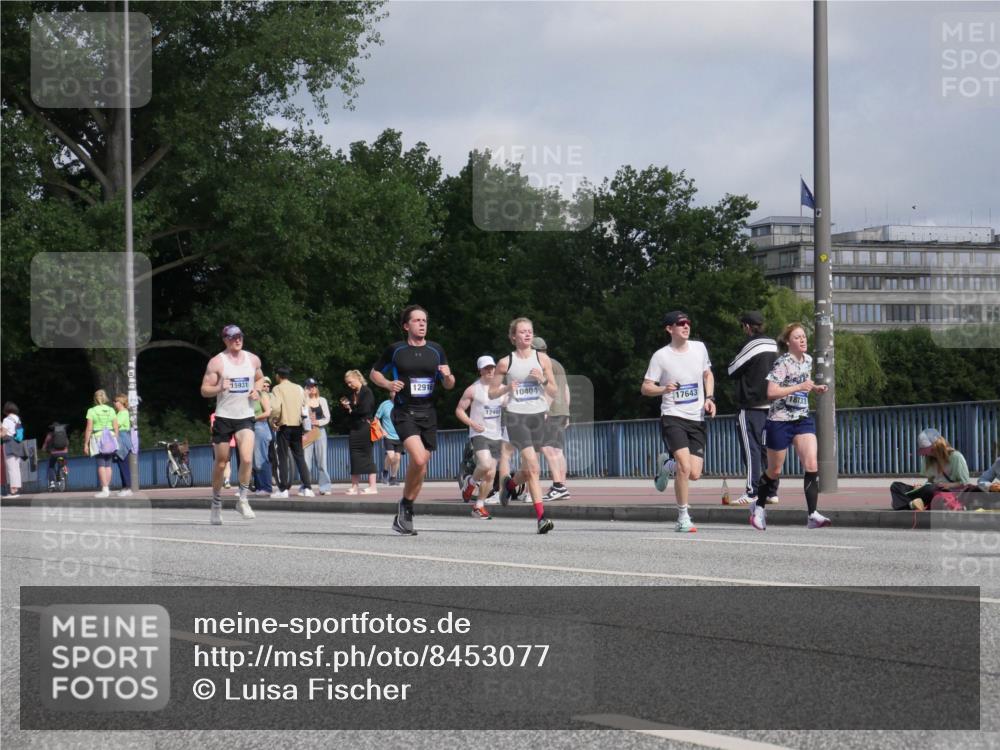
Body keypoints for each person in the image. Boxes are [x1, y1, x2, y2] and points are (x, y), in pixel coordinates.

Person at [370, 305, 455, 535]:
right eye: (417, 320)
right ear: (406, 326)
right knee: (418, 459)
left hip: (429, 413)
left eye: (424, 320)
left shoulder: (436, 350)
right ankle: (406, 507)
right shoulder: (396, 350)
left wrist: (447, 376)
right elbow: (374, 373)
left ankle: (405, 508)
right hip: (404, 411)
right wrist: (388, 384)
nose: (422, 324)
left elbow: (449, 384)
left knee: (422, 466)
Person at [749, 323, 831, 531]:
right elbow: (771, 392)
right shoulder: (782, 363)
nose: (803, 340)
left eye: (804, 336)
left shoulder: (808, 360)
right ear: (788, 342)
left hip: (802, 418)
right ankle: (758, 507)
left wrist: (814, 387)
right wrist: (800, 387)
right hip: (780, 420)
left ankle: (812, 514)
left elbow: (803, 383)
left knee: (812, 464)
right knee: (774, 470)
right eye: (797, 337)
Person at [641, 311, 716, 533]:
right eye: (680, 323)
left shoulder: (699, 348)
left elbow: (708, 374)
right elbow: (645, 387)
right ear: (669, 329)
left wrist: (710, 398)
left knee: (694, 473)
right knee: (684, 467)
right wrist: (664, 388)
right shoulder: (661, 356)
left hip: (697, 418)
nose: (686, 326)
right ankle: (683, 517)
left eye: (688, 323)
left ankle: (665, 465)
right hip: (673, 416)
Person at [490, 318, 557, 534]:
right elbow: (492, 392)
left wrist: (544, 381)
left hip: (537, 416)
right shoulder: (505, 362)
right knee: (534, 467)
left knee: (528, 470)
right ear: (513, 337)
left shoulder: (542, 359)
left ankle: (509, 486)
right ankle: (542, 519)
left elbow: (554, 391)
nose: (527, 335)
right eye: (522, 332)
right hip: (516, 417)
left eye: (530, 331)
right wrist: (507, 388)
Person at [200, 324, 264, 525]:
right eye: (233, 337)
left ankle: (242, 500)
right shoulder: (217, 362)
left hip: (245, 416)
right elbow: (204, 390)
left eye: (240, 336)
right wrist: (219, 387)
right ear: (225, 340)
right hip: (224, 417)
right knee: (221, 462)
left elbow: (260, 378)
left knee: (246, 459)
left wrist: (257, 391)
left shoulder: (252, 359)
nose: (238, 339)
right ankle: (216, 502)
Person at [727, 311, 779, 506]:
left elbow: (732, 369)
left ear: (747, 326)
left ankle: (752, 491)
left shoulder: (752, 344)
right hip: (772, 404)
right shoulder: (773, 344)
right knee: (768, 449)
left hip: (751, 405)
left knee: (751, 449)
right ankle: (772, 491)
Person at [456, 355, 508, 519]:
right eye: (486, 368)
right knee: (485, 465)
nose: (490, 371)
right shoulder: (473, 389)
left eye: (492, 367)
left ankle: (478, 506)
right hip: (479, 434)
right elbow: (459, 410)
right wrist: (472, 423)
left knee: (491, 474)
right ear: (480, 370)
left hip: (496, 435)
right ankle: (471, 482)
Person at [890, 428, 973, 511]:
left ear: (936, 446)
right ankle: (912, 504)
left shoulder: (956, 457)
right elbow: (930, 481)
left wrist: (948, 485)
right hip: (931, 489)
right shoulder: (928, 459)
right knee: (896, 486)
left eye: (927, 449)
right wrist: (920, 487)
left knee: (930, 489)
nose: (925, 453)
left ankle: (907, 504)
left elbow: (965, 483)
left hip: (945, 491)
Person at [534, 337, 572, 502]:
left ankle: (558, 486)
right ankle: (562, 486)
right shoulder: (557, 363)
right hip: (562, 411)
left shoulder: (541, 364)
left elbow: (546, 389)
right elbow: (566, 388)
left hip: (551, 411)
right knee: (558, 451)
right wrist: (567, 411)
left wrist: (545, 411)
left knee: (547, 448)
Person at [268, 366, 314, 499]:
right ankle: (308, 488)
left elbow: (276, 407)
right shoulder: (298, 388)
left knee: (282, 458)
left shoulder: (277, 388)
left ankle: (283, 489)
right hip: (298, 425)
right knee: (300, 456)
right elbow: (305, 405)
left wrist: (273, 421)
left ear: (278, 376)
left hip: (285, 425)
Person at [340, 370, 377, 495]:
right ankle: (354, 486)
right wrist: (347, 408)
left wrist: (352, 410)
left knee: (367, 455)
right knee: (354, 455)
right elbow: (352, 411)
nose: (349, 385)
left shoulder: (367, 392)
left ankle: (372, 486)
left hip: (365, 426)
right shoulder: (353, 394)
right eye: (347, 383)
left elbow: (365, 409)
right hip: (355, 427)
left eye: (350, 382)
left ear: (358, 378)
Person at [82, 390, 119, 498]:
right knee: (108, 465)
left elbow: (89, 428)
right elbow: (116, 426)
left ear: (95, 398)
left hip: (98, 438)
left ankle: (105, 489)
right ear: (105, 398)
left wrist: (86, 444)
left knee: (101, 464)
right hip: (111, 437)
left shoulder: (91, 411)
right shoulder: (111, 410)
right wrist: (115, 439)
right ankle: (107, 488)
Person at [302, 378, 333, 495]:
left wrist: (317, 423)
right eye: (309, 387)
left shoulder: (322, 400)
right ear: (306, 388)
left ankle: (325, 487)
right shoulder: (303, 401)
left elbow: (327, 417)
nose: (312, 388)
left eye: (314, 386)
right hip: (307, 431)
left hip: (320, 431)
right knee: (306, 461)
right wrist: (304, 398)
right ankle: (305, 486)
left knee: (322, 461)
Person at [251, 376, 274, 496]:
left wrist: (253, 418)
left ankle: (267, 487)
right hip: (251, 428)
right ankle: (260, 487)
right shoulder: (250, 395)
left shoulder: (262, 395)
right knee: (255, 460)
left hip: (260, 427)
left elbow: (267, 412)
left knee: (261, 458)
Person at [374, 398, 402, 486]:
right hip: (388, 435)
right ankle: (385, 472)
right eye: (393, 391)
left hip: (400, 436)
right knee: (391, 456)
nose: (395, 393)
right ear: (391, 393)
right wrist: (382, 430)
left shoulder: (404, 403)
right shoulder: (385, 404)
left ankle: (393, 478)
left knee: (397, 457)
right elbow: (376, 418)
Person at [112, 393, 134, 496]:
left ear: (121, 402)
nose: (114, 403)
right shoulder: (119, 413)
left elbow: (117, 424)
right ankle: (124, 486)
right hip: (120, 437)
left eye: (116, 401)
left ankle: (128, 487)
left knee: (123, 463)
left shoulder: (123, 412)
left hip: (122, 438)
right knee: (121, 463)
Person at [1, 402, 24, 497]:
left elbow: (3, 434)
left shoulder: (6, 420)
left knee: (11, 467)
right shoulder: (17, 419)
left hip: (9, 444)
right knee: (16, 467)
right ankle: (16, 488)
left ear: (6, 410)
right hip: (17, 443)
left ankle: (14, 490)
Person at [41, 421, 70, 489]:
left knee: (51, 466)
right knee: (61, 465)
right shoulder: (64, 433)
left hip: (54, 454)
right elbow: (67, 443)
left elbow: (45, 444)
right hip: (64, 454)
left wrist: (44, 449)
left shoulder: (50, 434)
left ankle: (52, 483)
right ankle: (62, 474)